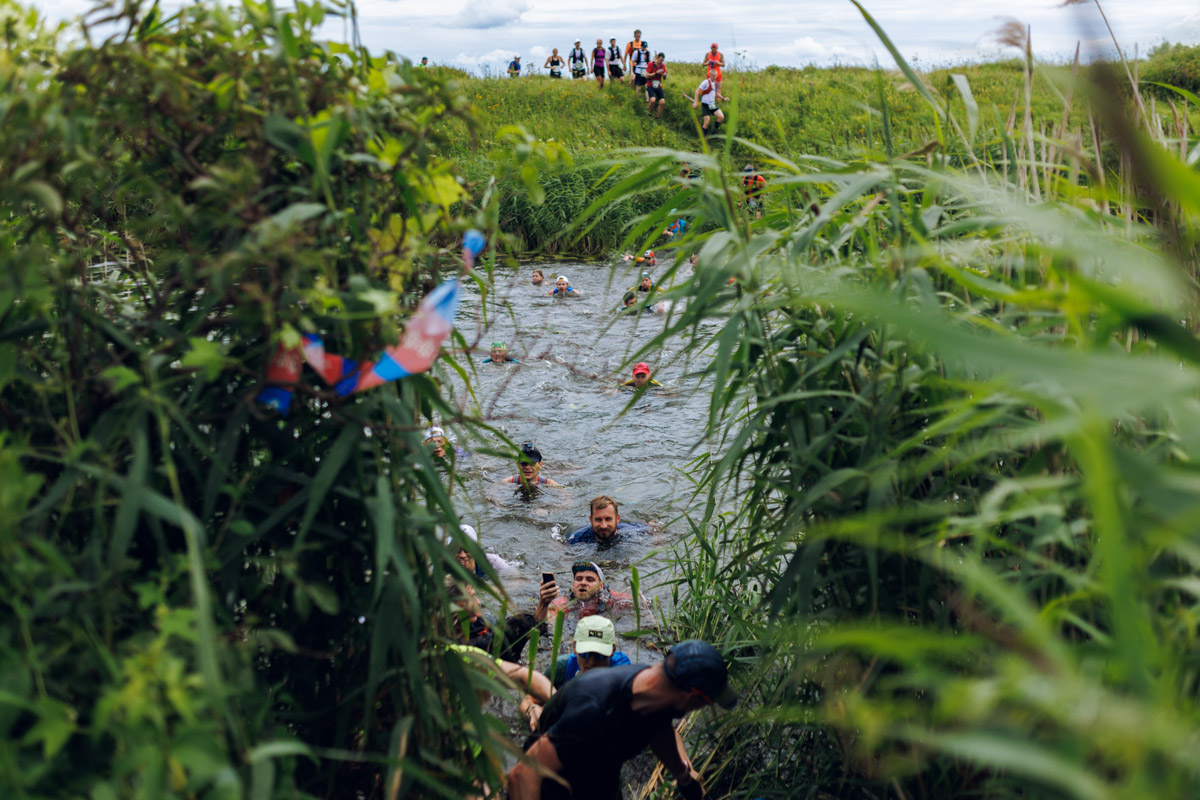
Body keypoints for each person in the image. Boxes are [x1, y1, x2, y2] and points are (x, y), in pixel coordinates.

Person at [507, 639, 738, 800]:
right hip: (553, 790)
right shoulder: (594, 708)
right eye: (705, 703)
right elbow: (523, 774)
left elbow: (660, 730)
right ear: (693, 697)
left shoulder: (658, 694)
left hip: (602, 781)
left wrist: (683, 776)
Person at [544, 614, 632, 689]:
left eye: (599, 655)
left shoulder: (621, 669)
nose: (591, 662)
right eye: (585, 654)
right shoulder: (561, 668)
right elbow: (532, 698)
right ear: (574, 648)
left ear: (612, 651)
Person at [536, 560, 634, 621]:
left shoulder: (613, 598)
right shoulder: (564, 603)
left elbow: (639, 604)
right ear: (573, 585)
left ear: (601, 586)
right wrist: (543, 603)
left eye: (590, 579)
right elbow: (546, 622)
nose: (583, 583)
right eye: (579, 579)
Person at [566, 496, 647, 545]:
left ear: (617, 519)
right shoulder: (576, 539)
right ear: (591, 520)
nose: (603, 526)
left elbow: (654, 529)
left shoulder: (634, 531)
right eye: (598, 520)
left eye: (608, 519)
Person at [449, 524, 515, 582]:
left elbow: (514, 578)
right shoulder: (444, 567)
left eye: (467, 549)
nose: (462, 555)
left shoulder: (491, 561)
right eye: (457, 550)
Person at [645, 52, 667, 118]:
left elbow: (664, 77)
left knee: (662, 102)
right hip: (650, 84)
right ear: (657, 58)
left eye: (662, 61)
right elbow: (646, 76)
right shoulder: (651, 64)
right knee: (652, 100)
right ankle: (649, 114)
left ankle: (657, 117)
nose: (661, 62)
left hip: (658, 85)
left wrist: (665, 75)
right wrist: (656, 73)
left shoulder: (663, 66)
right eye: (660, 60)